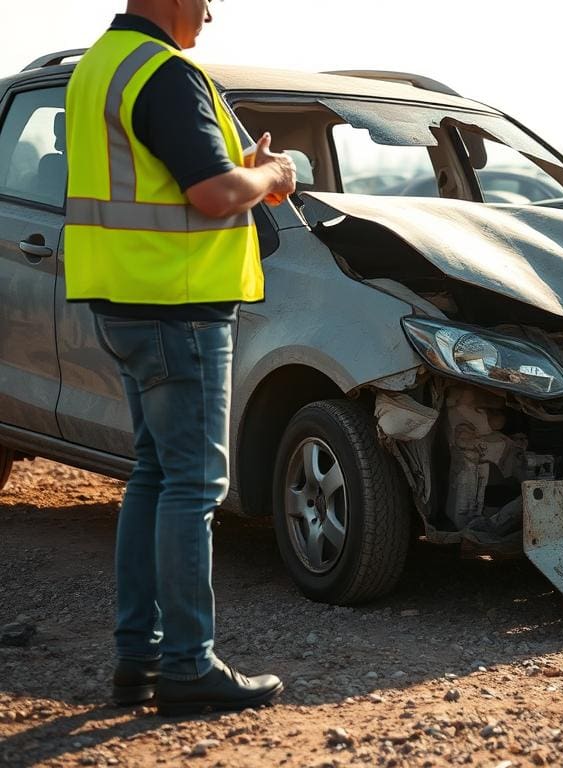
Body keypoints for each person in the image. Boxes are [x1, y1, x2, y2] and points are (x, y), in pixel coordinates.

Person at [64, 0, 296, 715]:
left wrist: (240, 169)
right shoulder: (164, 73)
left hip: (124, 302)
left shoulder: (97, 68)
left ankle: (139, 658)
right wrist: (272, 174)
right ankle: (188, 666)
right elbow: (214, 192)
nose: (210, 13)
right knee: (193, 486)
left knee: (155, 474)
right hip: (180, 308)